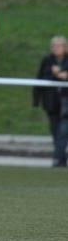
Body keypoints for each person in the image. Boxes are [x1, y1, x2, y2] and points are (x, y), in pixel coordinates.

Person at [33, 35, 68, 167]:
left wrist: (64, 75)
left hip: (66, 102)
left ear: (64, 48)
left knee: (63, 131)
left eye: (58, 46)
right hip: (52, 101)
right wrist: (36, 99)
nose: (55, 48)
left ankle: (56, 158)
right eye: (53, 46)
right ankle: (62, 160)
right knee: (55, 130)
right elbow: (40, 78)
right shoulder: (47, 61)